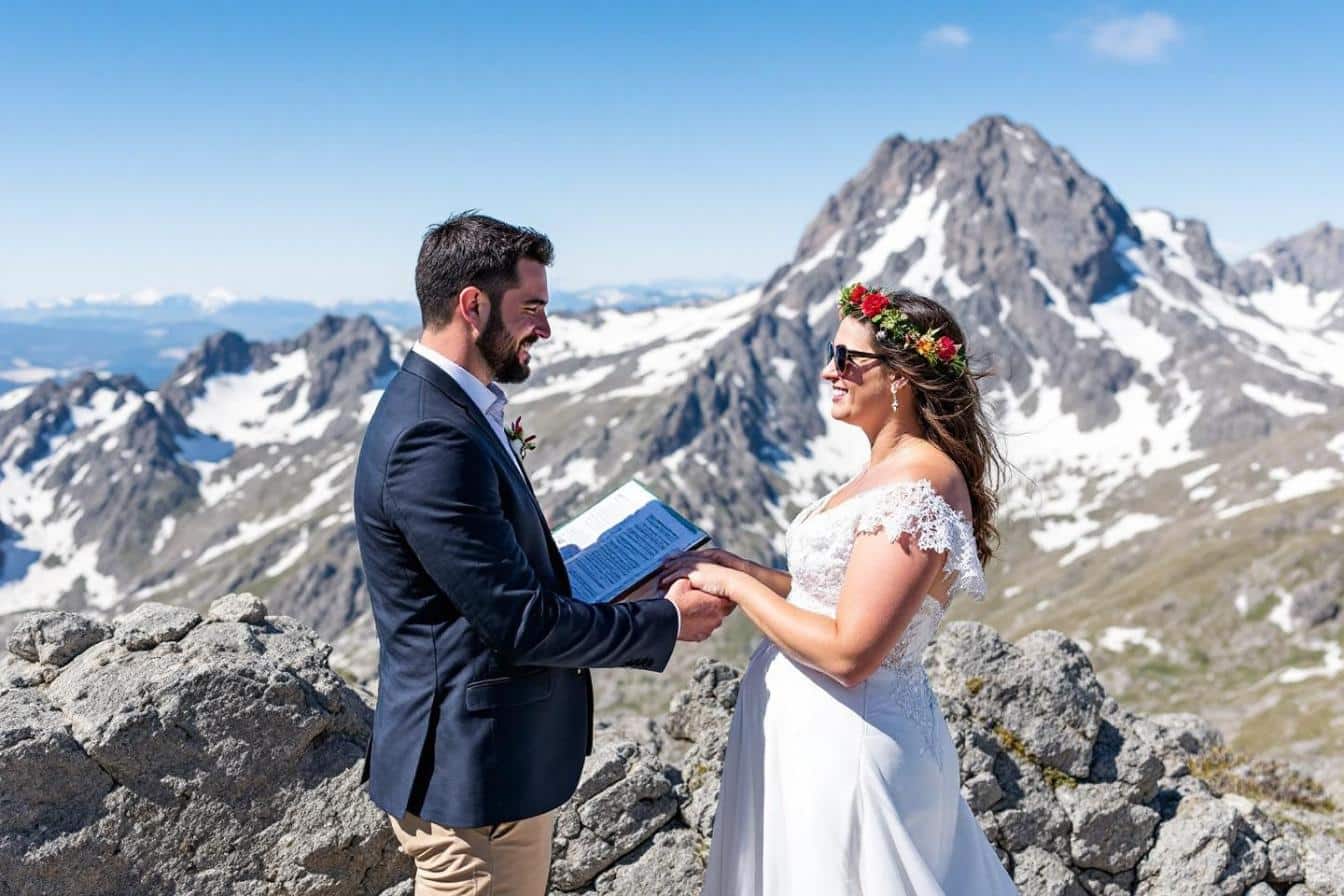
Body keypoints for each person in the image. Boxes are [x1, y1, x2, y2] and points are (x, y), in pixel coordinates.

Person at [353, 212, 733, 896]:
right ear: (473, 305)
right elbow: (520, 623)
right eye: (532, 308)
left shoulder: (447, 409)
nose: (546, 329)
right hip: (473, 786)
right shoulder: (431, 439)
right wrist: (668, 620)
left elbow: (480, 589)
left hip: (488, 777)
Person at [660, 283, 1020, 894]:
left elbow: (851, 653)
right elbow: (833, 593)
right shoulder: (886, 468)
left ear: (901, 375)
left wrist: (736, 591)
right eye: (832, 351)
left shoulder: (918, 486)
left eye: (848, 357)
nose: (830, 369)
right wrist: (742, 568)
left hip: (853, 751)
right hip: (814, 745)